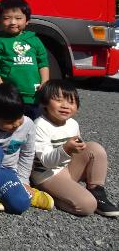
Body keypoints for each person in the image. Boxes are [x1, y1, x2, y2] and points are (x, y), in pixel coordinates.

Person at [32, 80, 119, 217]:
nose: (65, 105)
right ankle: (54, 196)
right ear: (44, 103)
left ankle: (97, 191)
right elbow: (46, 162)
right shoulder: (39, 125)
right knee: (87, 206)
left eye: (71, 102)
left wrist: (79, 147)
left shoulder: (72, 124)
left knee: (95, 149)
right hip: (47, 175)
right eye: (58, 100)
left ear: (77, 107)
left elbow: (77, 149)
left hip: (66, 168)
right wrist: (66, 149)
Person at [0, 84, 54, 214]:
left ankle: (23, 191)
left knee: (19, 204)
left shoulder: (27, 124)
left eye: (19, 117)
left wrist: (24, 181)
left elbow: (27, 154)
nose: (17, 124)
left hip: (7, 171)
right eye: (9, 121)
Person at [0, 0, 49, 120]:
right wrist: (3, 90)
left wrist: (45, 82)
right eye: (7, 18)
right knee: (12, 125)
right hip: (11, 97)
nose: (13, 22)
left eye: (18, 18)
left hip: (34, 95)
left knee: (34, 126)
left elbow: (42, 63)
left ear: (27, 20)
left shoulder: (34, 40)